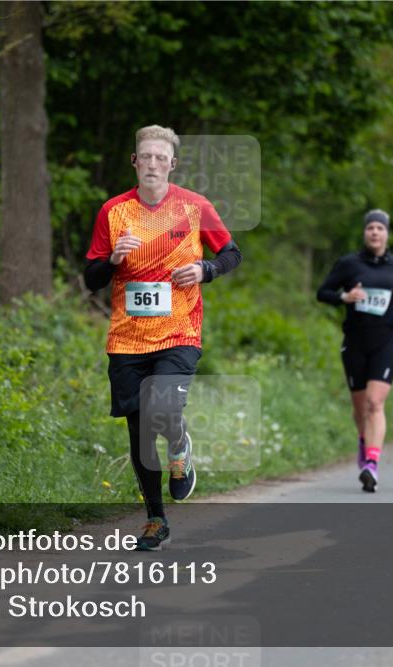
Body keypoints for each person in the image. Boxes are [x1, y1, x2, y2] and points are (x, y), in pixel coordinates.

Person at [84, 125, 242, 550]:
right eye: (145, 157)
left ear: (172, 163)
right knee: (138, 432)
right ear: (135, 163)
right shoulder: (113, 212)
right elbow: (91, 277)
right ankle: (155, 518)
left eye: (160, 157)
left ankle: (179, 445)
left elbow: (232, 253)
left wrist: (205, 270)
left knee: (163, 404)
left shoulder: (195, 207)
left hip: (179, 330)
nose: (152, 163)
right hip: (127, 339)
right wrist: (114, 260)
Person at [317, 209, 393, 493]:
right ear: (364, 232)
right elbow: (322, 292)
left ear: (387, 233)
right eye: (371, 227)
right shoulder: (349, 264)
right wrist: (344, 297)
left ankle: (371, 463)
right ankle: (364, 441)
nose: (375, 232)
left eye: (380, 228)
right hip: (355, 343)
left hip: (385, 342)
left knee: (375, 403)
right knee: (360, 409)